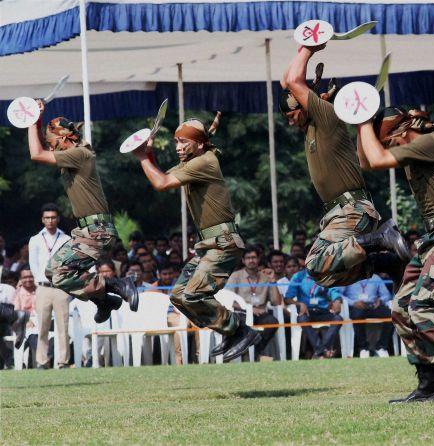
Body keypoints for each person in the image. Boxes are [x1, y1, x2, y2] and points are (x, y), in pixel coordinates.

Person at [357, 107, 434, 403]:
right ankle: (428, 382)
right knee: (401, 308)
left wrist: (362, 120)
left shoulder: (426, 143)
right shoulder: (418, 146)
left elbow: (376, 159)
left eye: (389, 141)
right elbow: (365, 160)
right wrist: (361, 124)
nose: (389, 149)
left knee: (424, 305)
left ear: (401, 132)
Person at [133, 114, 260, 362]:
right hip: (207, 246)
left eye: (183, 142)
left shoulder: (205, 162)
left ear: (200, 144)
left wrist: (140, 156)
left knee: (193, 296)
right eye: (176, 142)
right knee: (179, 296)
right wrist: (148, 156)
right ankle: (233, 330)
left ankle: (239, 329)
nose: (178, 148)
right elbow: (160, 174)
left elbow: (161, 182)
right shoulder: (194, 161)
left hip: (223, 244)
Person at [281, 44, 409, 288]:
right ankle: (385, 263)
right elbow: (286, 82)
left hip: (352, 208)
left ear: (304, 105)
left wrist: (308, 48)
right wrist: (298, 49)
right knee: (325, 275)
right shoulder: (310, 127)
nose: (290, 123)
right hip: (339, 213)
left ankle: (380, 238)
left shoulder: (326, 116)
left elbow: (294, 80)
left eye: (292, 116)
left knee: (315, 261)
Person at [24, 100, 138, 323]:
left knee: (59, 273)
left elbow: (36, 154)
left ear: (65, 138)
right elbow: (41, 149)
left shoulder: (79, 154)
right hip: (87, 229)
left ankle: (117, 285)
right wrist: (37, 119)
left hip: (97, 229)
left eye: (53, 142)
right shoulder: (72, 155)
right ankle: (104, 300)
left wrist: (30, 119)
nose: (52, 148)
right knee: (53, 272)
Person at [28, 203, 72, 369]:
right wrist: (39, 280)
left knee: (63, 326)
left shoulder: (66, 239)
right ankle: (42, 360)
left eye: (53, 217)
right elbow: (33, 264)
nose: (50, 221)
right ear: (42, 219)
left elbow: (70, 262)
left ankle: (63, 361)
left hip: (61, 287)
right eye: (47, 218)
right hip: (43, 287)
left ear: (58, 219)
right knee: (43, 326)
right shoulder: (36, 239)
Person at [227, 248, 282, 357]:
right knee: (240, 326)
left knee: (273, 322)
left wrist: (273, 280)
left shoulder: (266, 277)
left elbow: (276, 302)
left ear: (258, 259)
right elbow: (229, 300)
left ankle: (255, 351)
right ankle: (248, 353)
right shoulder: (236, 276)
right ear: (243, 260)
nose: (251, 260)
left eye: (253, 257)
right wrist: (249, 308)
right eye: (248, 258)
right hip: (242, 312)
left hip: (261, 312)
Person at [284, 269, 344, 359]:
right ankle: (323, 351)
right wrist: (299, 304)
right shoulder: (298, 276)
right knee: (302, 319)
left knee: (338, 319)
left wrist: (337, 300)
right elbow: (288, 298)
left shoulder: (326, 275)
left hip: (323, 311)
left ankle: (320, 351)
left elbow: (334, 291)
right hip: (307, 311)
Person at [342, 274, 393, 358]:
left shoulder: (375, 277)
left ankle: (381, 346)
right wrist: (352, 302)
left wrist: (380, 300)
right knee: (357, 315)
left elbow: (387, 295)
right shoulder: (349, 276)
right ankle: (363, 348)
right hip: (356, 306)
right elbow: (339, 294)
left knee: (391, 316)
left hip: (372, 305)